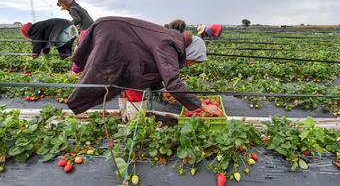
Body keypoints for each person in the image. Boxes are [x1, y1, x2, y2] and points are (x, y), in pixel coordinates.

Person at [66, 16, 223, 117]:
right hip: (112, 35)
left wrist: (160, 89)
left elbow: (155, 69)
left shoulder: (172, 41)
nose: (190, 65)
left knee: (122, 77)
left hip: (112, 30)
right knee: (107, 75)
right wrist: (201, 105)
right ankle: (131, 120)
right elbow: (173, 82)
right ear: (190, 51)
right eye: (193, 61)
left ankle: (126, 116)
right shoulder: (169, 45)